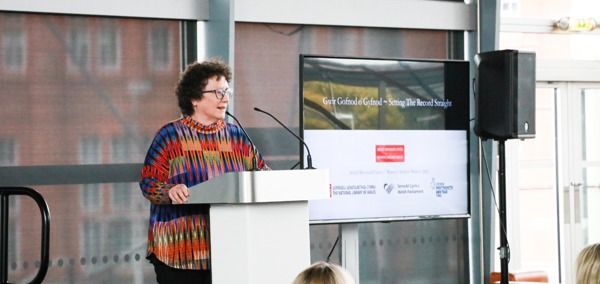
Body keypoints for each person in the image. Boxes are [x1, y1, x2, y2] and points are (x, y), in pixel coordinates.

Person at [139, 59, 269, 284]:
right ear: (194, 98)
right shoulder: (170, 136)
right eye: (218, 92)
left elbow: (263, 176)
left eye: (227, 91)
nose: (226, 98)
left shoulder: (237, 137)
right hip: (179, 254)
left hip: (229, 251)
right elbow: (149, 182)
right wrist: (170, 190)